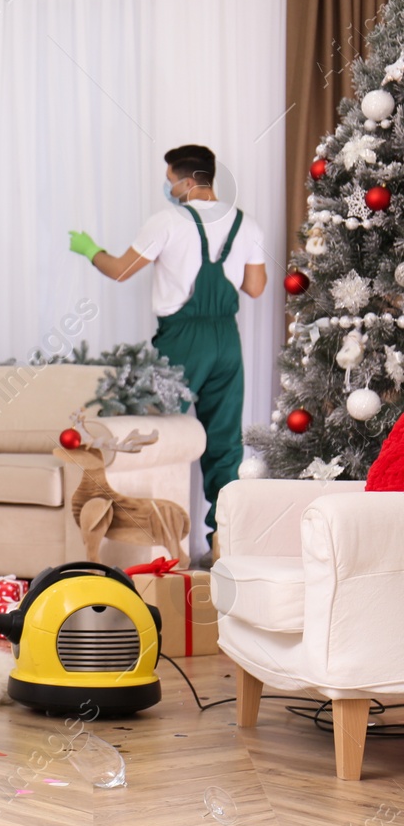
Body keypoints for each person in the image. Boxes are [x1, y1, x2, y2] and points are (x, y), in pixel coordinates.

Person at [69, 144, 267, 551]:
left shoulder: (167, 221)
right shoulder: (247, 225)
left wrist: (91, 251)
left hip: (182, 339)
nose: (168, 186)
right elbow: (255, 287)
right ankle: (223, 543)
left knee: (155, 431)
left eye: (170, 179)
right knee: (225, 441)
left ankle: (150, 542)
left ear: (189, 181)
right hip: (227, 341)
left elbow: (121, 270)